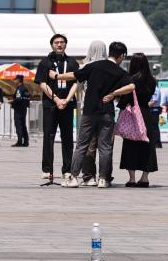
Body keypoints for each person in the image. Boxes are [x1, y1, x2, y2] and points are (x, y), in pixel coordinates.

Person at [54, 40, 133, 189]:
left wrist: (57, 77)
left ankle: (73, 177)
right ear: (122, 55)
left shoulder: (94, 66)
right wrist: (113, 94)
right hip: (107, 113)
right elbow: (131, 86)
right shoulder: (120, 72)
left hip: (89, 112)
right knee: (105, 147)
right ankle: (103, 179)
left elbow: (74, 75)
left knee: (82, 145)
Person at [35, 33, 79, 185]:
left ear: (66, 44)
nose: (59, 44)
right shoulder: (45, 63)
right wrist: (56, 99)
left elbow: (76, 82)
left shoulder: (72, 62)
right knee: (49, 137)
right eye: (56, 42)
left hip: (67, 104)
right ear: (52, 45)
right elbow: (42, 83)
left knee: (68, 138)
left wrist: (67, 99)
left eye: (62, 42)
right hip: (50, 105)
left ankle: (67, 169)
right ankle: (47, 169)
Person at [119, 52, 159, 187]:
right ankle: (144, 178)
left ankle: (132, 179)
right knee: (147, 146)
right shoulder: (152, 80)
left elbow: (125, 99)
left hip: (133, 114)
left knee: (130, 145)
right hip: (146, 114)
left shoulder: (130, 79)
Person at [74, 41, 106, 186]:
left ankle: (89, 176)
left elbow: (79, 88)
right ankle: (104, 177)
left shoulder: (85, 67)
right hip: (106, 109)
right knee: (105, 146)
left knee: (87, 144)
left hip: (88, 109)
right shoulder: (110, 67)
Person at [10, 75, 31, 147]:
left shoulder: (19, 89)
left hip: (18, 109)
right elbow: (28, 98)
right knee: (23, 125)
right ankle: (26, 141)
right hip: (24, 109)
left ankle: (19, 141)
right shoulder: (25, 89)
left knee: (18, 125)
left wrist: (11, 101)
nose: (14, 81)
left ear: (18, 80)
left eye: (15, 79)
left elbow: (18, 99)